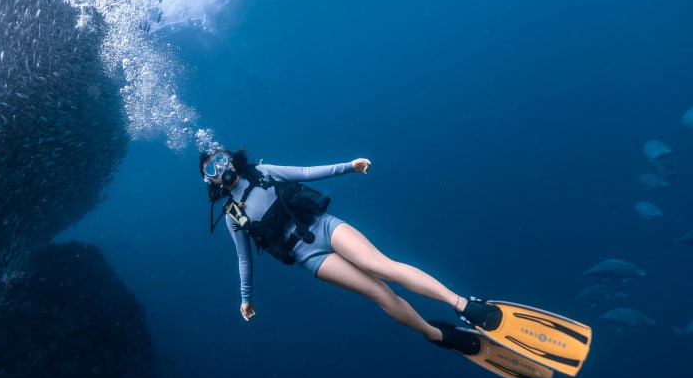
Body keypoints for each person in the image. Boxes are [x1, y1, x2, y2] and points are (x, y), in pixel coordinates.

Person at [200, 147, 493, 349]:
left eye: (222, 159)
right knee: (378, 292)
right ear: (209, 180)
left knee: (382, 267)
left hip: (324, 225)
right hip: (309, 256)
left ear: (231, 159)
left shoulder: (262, 172)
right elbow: (244, 260)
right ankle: (437, 335)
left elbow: (304, 171)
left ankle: (463, 305)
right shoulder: (233, 215)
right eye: (213, 168)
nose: (222, 168)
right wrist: (245, 298)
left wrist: (349, 167)